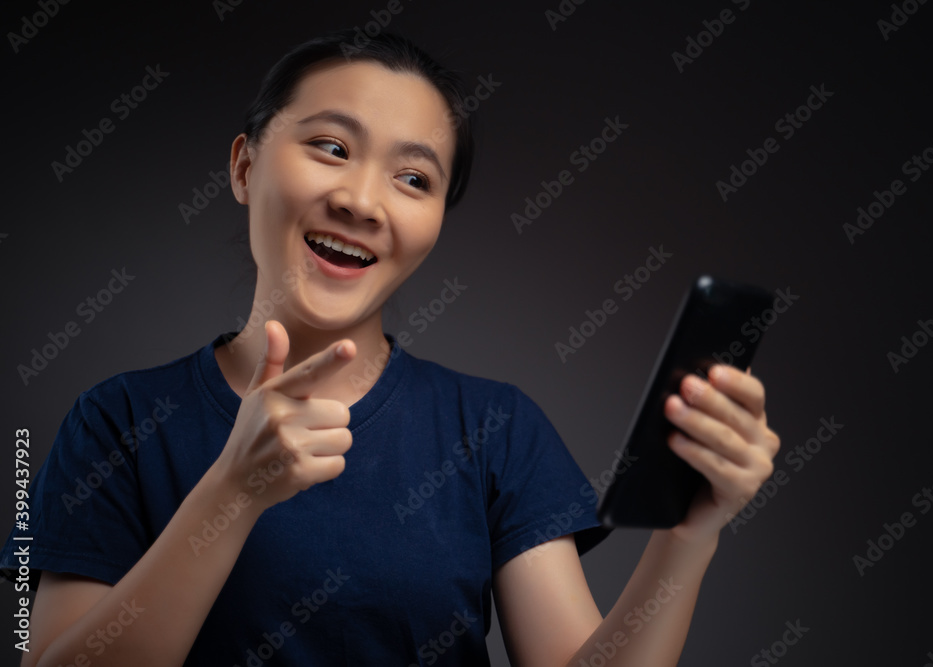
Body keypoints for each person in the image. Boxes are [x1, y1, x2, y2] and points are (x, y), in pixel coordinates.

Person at [1, 29, 780, 666]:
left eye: (413, 179)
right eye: (332, 148)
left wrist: (690, 533)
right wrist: (231, 493)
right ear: (244, 166)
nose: (361, 200)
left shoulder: (493, 429)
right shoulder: (115, 421)